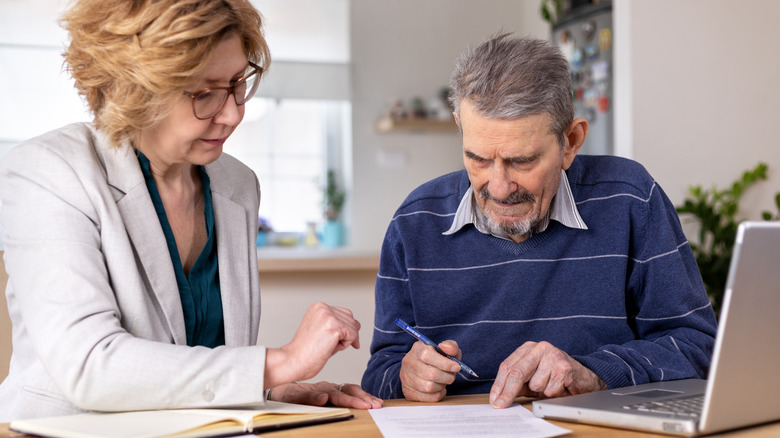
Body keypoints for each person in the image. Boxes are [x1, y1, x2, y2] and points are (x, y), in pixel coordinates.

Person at [0, 0, 381, 421]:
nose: (234, 113)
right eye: (205, 93)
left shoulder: (236, 184)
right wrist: (280, 362)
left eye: (238, 83)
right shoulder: (48, 172)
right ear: (134, 87)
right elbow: (90, 365)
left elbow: (190, 364)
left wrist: (269, 393)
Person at [361, 34, 718, 409]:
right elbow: (380, 371)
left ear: (571, 141)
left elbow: (698, 348)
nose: (499, 188)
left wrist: (592, 373)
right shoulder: (414, 221)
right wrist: (406, 375)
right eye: (478, 159)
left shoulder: (630, 199)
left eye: (522, 161)